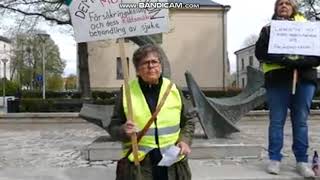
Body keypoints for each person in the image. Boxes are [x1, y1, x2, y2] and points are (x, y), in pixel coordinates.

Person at [107, 44, 195, 180]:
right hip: (141, 164)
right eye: (145, 63)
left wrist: (184, 141)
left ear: (160, 66)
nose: (151, 66)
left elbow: (188, 120)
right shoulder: (126, 91)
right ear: (137, 70)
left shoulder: (173, 89)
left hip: (172, 162)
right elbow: (113, 126)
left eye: (154, 62)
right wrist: (123, 130)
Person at [255, 0, 320, 177]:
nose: (284, 5)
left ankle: (301, 161)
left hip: (304, 79)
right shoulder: (268, 29)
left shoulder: (308, 28)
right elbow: (260, 53)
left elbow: (316, 55)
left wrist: (299, 63)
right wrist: (283, 60)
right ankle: (274, 159)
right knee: (276, 121)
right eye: (280, 3)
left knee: (300, 121)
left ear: (293, 8)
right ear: (276, 8)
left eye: (288, 3)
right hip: (277, 80)